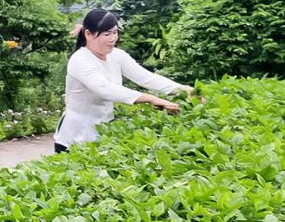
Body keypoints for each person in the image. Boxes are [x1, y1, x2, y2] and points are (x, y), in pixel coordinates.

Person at [53, 8, 192, 153]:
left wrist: (183, 89)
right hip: (74, 138)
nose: (113, 38)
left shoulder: (117, 56)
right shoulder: (80, 60)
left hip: (104, 135)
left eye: (115, 32)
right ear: (88, 34)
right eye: (107, 34)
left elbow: (145, 77)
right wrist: (151, 99)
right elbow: (105, 89)